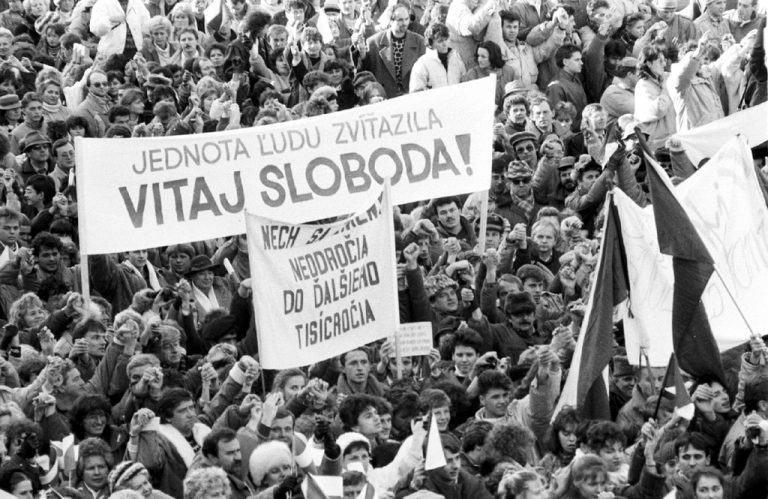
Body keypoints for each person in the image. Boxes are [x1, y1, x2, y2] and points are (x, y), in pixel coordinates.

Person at [355, 3, 426, 97]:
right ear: (391, 21)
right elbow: (365, 73)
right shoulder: (374, 42)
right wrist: (363, 55)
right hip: (386, 97)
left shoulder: (419, 41)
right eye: (400, 20)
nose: (405, 23)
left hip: (411, 95)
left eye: (406, 19)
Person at [409, 22, 466, 92]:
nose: (445, 44)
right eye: (440, 41)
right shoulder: (422, 64)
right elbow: (416, 93)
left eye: (446, 39)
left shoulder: (456, 58)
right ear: (430, 44)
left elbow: (464, 83)